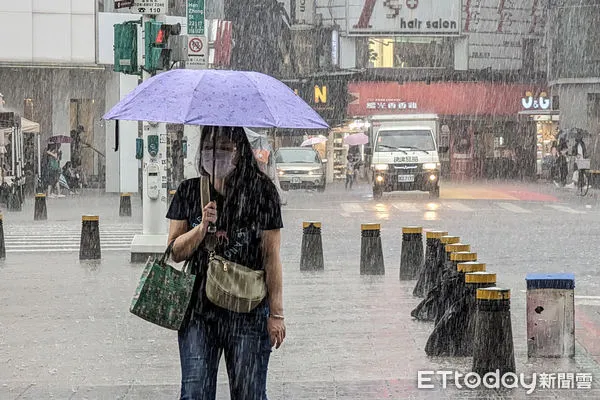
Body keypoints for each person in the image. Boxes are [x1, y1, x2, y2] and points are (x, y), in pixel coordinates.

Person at [166, 126, 285, 400]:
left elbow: (271, 257)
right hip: (198, 312)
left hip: (249, 309)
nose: (214, 155)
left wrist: (276, 314)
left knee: (249, 393)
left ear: (239, 151)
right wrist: (201, 227)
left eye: (223, 148)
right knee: (195, 391)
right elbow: (174, 251)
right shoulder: (188, 191)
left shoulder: (261, 192)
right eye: (208, 148)